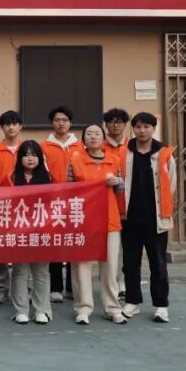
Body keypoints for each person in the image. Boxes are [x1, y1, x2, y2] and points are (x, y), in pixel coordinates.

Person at [121, 112, 177, 323]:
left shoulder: (164, 154)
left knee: (158, 264)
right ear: (133, 129)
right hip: (130, 219)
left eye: (146, 126)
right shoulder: (124, 153)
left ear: (154, 128)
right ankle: (132, 302)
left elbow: (171, 185)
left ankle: (161, 306)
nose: (142, 130)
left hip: (156, 220)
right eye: (138, 126)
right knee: (130, 263)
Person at [69, 124, 127, 325]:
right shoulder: (75, 160)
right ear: (83, 139)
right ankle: (83, 308)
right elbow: (69, 189)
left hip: (110, 220)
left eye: (97, 133)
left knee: (110, 266)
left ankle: (112, 308)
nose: (93, 137)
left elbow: (121, 189)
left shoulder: (114, 159)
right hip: (83, 219)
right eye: (89, 134)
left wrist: (117, 182)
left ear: (103, 138)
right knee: (82, 265)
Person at [0, 140, 54, 325]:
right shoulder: (10, 178)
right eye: (26, 154)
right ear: (20, 158)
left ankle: (41, 310)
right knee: (20, 271)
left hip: (42, 232)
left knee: (41, 272)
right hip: (19, 232)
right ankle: (21, 310)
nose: (30, 159)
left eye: (35, 155)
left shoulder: (49, 178)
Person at [41, 106, 81, 303]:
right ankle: (55, 287)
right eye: (57, 120)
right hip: (52, 201)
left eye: (65, 120)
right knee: (55, 243)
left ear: (70, 123)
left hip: (76, 202)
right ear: (52, 123)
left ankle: (72, 287)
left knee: (73, 243)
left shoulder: (80, 146)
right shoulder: (43, 146)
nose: (61, 123)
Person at [0, 110, 23, 304]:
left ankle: (22, 287)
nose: (11, 127)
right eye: (7, 124)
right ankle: (0, 289)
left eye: (14, 123)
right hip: (0, 206)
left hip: (23, 207)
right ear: (2, 127)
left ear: (20, 126)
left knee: (22, 247)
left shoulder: (28, 150)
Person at [102, 107, 131, 298]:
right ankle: (110, 283)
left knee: (128, 247)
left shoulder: (132, 145)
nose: (115, 125)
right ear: (106, 125)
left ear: (125, 124)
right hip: (107, 205)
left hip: (129, 204)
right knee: (111, 249)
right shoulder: (99, 146)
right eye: (111, 122)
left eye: (119, 122)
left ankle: (123, 283)